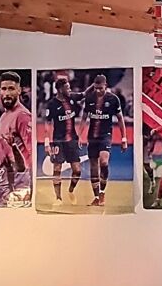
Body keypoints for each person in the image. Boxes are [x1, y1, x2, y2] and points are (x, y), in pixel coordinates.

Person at [80, 74, 128, 207]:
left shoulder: (113, 99)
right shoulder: (89, 98)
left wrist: (124, 138)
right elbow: (84, 118)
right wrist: (79, 135)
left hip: (105, 136)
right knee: (93, 167)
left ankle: (102, 192)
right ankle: (96, 197)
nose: (98, 91)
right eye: (96, 88)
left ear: (105, 86)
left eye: (100, 88)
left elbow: (120, 119)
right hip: (92, 137)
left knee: (104, 162)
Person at [42, 76, 86, 205]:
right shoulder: (52, 104)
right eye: (67, 88)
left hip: (72, 140)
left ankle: (71, 191)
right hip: (58, 141)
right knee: (57, 169)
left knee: (77, 170)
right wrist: (47, 142)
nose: (70, 90)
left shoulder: (71, 98)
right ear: (60, 89)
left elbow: (84, 94)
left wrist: (94, 86)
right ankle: (58, 198)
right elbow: (47, 123)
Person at [0, 71, 32, 205]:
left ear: (19, 90)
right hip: (7, 182)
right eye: (4, 89)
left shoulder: (22, 116)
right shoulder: (3, 117)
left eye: (11, 88)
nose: (6, 93)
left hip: (21, 184)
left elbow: (32, 152)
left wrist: (29, 188)